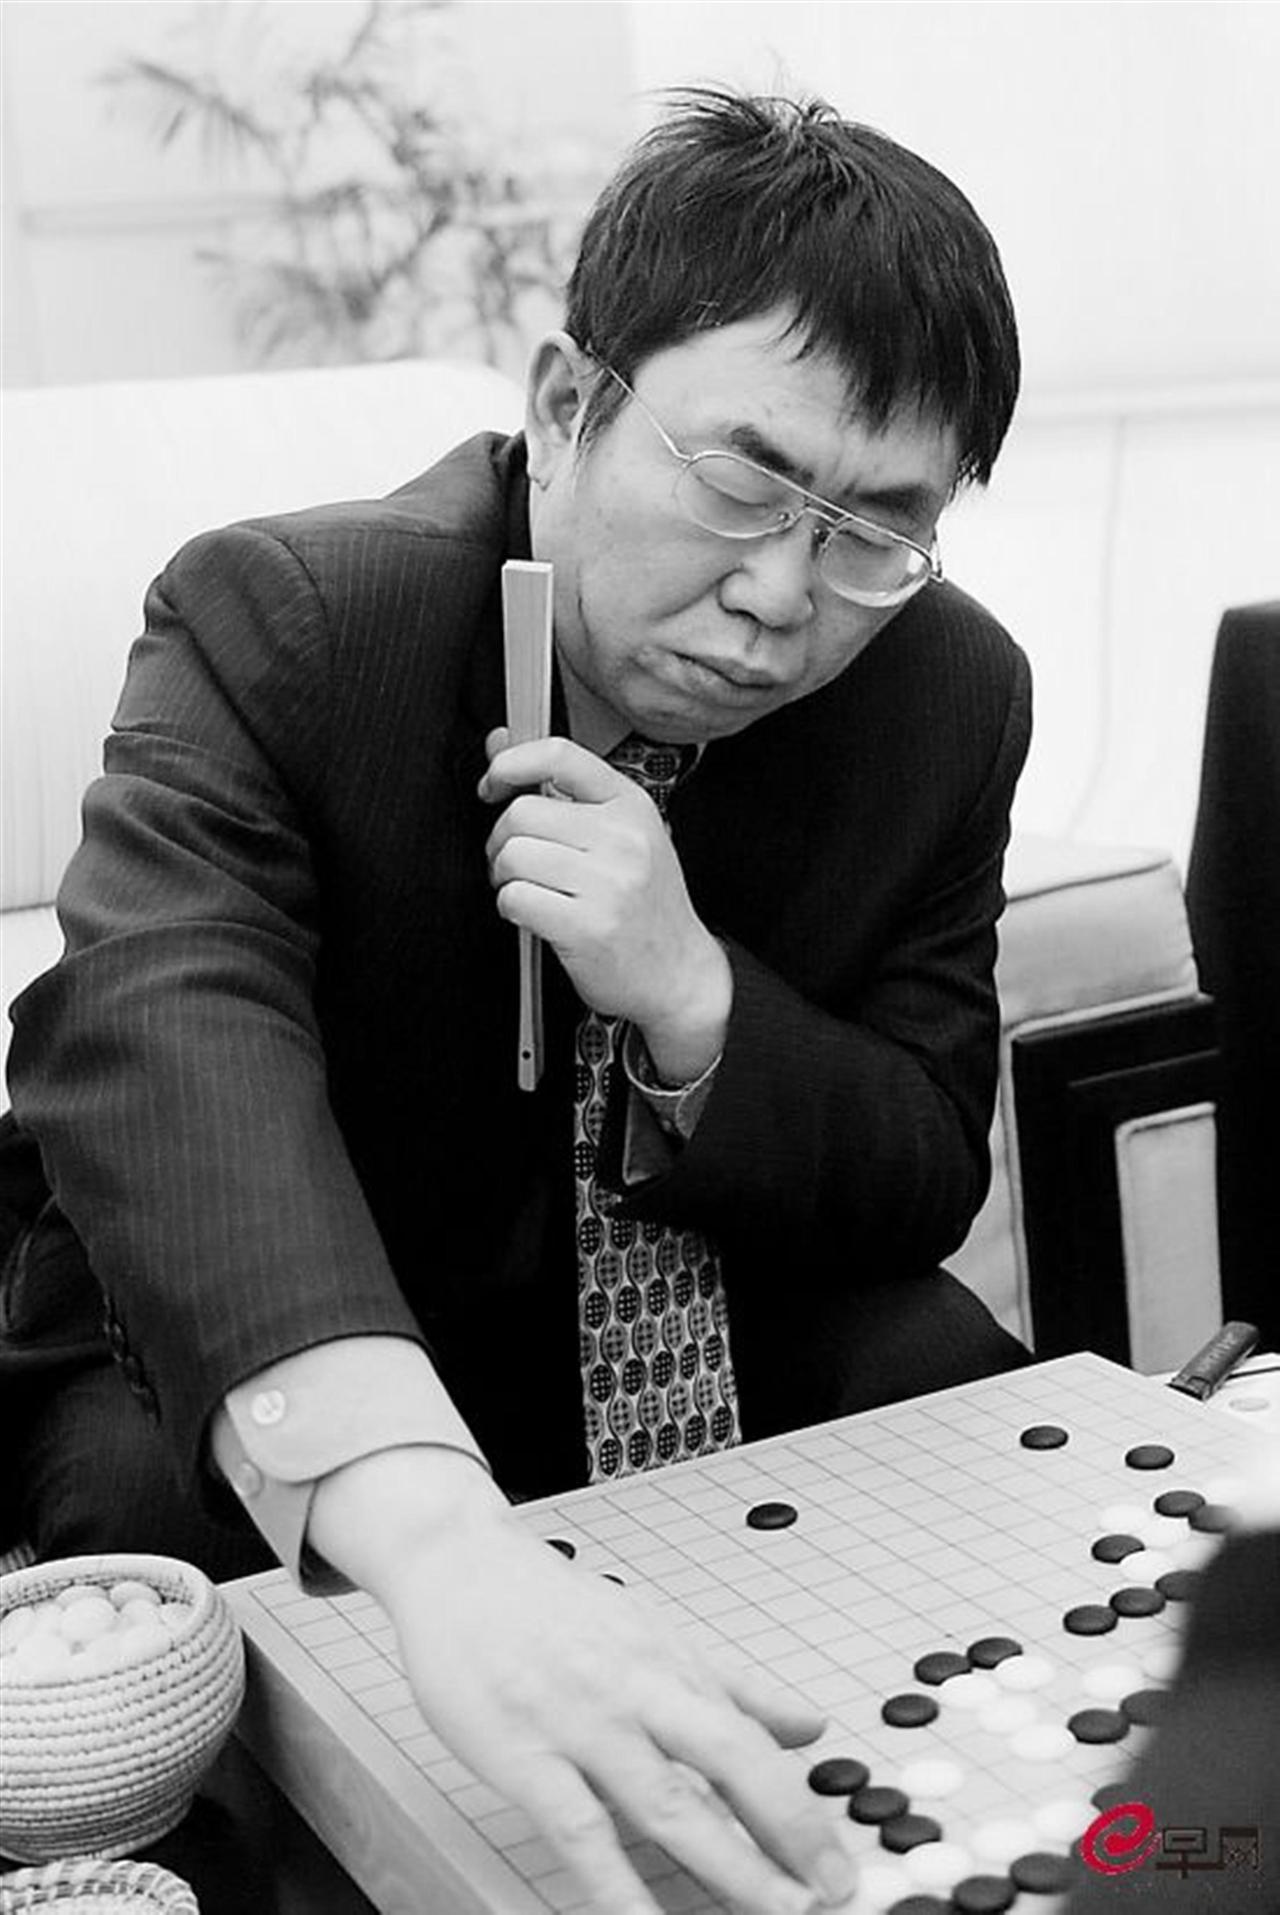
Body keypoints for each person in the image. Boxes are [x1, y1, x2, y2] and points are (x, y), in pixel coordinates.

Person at [2, 89, 1031, 1913]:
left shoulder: (947, 693)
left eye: (874, 531)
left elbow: (924, 1158)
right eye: (741, 483)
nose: (781, 598)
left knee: (958, 1394)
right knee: (166, 1567)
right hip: (277, 1325)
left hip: (687, 1319)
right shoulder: (292, 615)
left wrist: (698, 1000)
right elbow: (163, 1038)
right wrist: (434, 1532)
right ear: (568, 404)